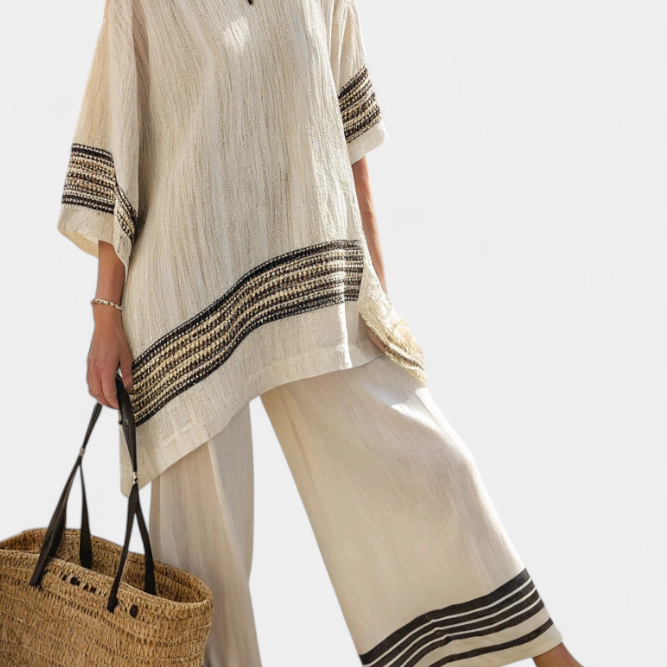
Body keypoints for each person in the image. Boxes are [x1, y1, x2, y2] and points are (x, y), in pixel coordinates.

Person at [57, 0, 584, 665]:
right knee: (201, 560)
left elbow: (350, 144)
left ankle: (552, 658)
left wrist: (377, 293)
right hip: (185, 296)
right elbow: (119, 138)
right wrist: (106, 313)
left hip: (315, 275)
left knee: (435, 468)